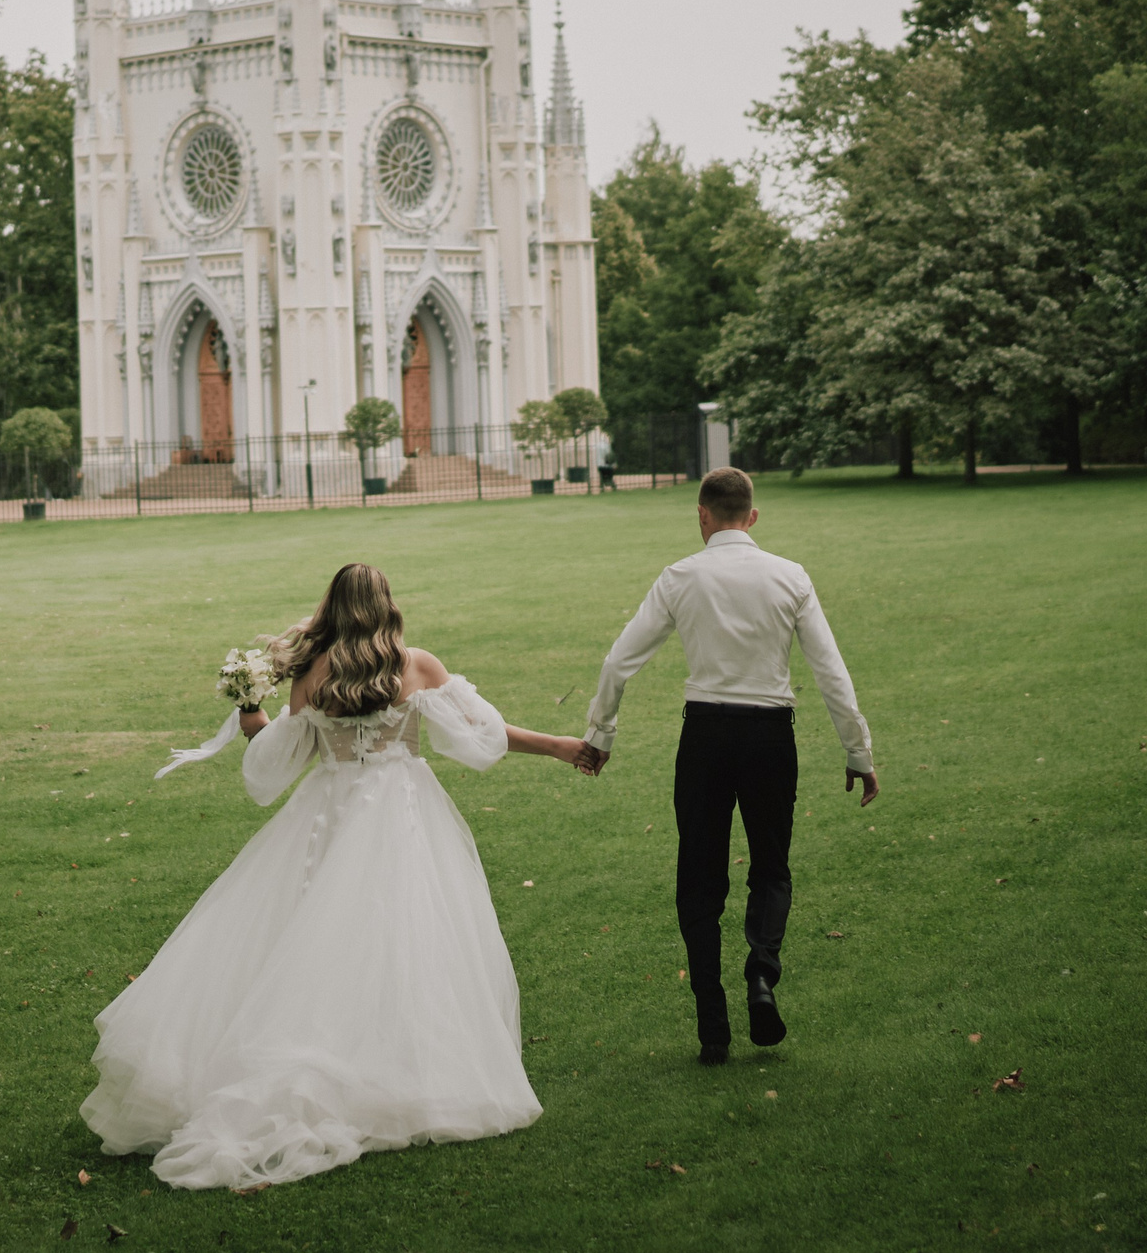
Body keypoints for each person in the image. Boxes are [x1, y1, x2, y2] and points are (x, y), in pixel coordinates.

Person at [82, 563, 587, 1190]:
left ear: (332, 609)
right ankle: (401, 1073)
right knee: (405, 940)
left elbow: (277, 765)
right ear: (387, 608)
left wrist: (251, 718)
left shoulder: (311, 673)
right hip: (403, 815)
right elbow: (486, 736)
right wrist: (561, 745)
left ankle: (311, 1058)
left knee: (313, 938)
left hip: (326, 816)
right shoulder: (418, 665)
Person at [574, 467, 877, 1064]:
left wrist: (601, 733)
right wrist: (856, 750)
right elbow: (830, 672)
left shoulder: (681, 576)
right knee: (770, 867)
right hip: (770, 736)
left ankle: (712, 1023)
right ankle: (761, 973)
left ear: (702, 515)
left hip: (705, 737)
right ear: (753, 516)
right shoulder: (790, 576)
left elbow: (618, 663)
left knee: (700, 876)